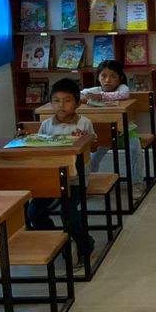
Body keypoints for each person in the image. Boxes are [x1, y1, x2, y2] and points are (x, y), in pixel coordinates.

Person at [27, 78, 95, 263]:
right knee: (34, 212)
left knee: (69, 215)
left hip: (76, 181)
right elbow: (41, 151)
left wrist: (83, 141)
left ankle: (85, 245)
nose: (61, 105)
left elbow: (92, 148)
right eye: (56, 100)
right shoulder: (47, 125)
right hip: (51, 180)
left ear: (77, 103)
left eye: (67, 100)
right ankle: (59, 242)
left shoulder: (84, 123)